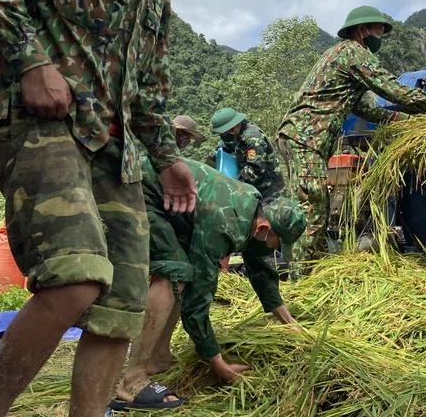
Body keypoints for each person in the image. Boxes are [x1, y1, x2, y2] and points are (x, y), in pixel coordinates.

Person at [0, 0, 222, 417]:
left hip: (119, 152)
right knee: (76, 279)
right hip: (45, 126)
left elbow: (149, 87)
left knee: (122, 307)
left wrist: (169, 158)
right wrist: (32, 63)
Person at [277, 5, 426, 276]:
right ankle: (300, 279)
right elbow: (392, 89)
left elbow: (364, 108)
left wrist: (401, 121)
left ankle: (315, 271)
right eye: (379, 31)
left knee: (316, 205)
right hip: (305, 137)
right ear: (362, 30)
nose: (381, 36)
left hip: (304, 139)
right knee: (312, 206)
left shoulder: (340, 58)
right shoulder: (353, 53)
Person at [111, 157, 306, 411]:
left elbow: (260, 270)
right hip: (138, 191)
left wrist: (290, 324)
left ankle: (157, 357)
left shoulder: (253, 207)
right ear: (263, 229)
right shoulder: (225, 223)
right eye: (276, 245)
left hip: (170, 202)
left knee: (183, 273)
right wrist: (219, 364)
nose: (274, 251)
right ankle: (132, 381)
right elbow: (197, 302)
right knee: (176, 273)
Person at [206, 108, 285, 198]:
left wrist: (230, 182)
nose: (222, 137)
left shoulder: (252, 137)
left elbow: (255, 171)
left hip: (268, 189)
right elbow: (217, 152)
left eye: (223, 134)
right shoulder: (235, 135)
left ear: (231, 129)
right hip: (251, 187)